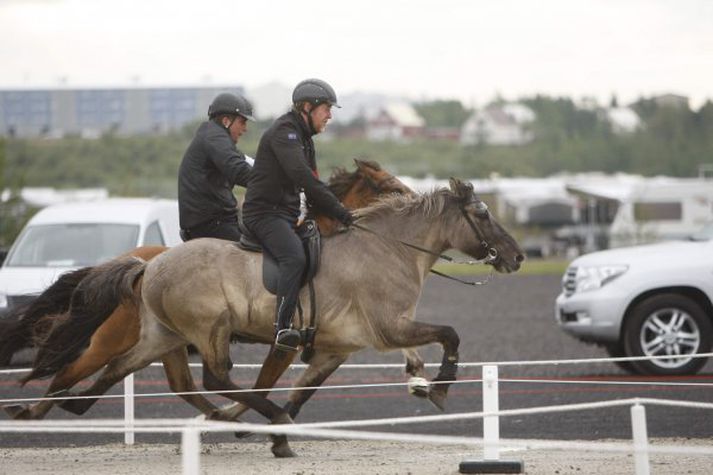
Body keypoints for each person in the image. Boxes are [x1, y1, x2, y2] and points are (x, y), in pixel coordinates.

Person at [242, 79, 354, 352]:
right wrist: (341, 212)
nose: (330, 115)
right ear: (307, 107)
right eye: (326, 108)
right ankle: (281, 328)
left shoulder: (304, 139)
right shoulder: (286, 133)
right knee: (294, 256)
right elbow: (304, 178)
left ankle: (313, 327)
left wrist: (335, 214)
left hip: (286, 215)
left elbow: (315, 182)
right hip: (264, 215)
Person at [178, 92, 255, 242]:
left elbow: (247, 162)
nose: (245, 129)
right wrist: (273, 183)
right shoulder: (215, 137)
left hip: (214, 220)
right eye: (242, 122)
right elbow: (238, 170)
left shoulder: (215, 137)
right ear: (226, 121)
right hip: (213, 224)